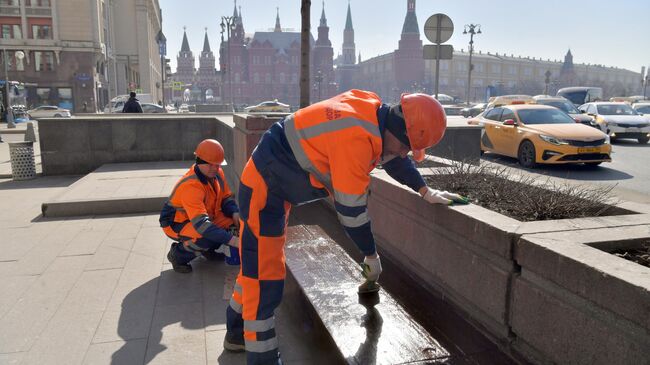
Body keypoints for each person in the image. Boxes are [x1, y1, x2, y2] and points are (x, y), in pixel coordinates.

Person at [224, 89, 468, 364]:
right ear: (398, 129)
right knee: (265, 280)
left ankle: (234, 334)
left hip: (273, 181)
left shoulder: (373, 111)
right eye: (407, 145)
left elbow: (394, 158)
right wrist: (371, 255)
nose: (405, 152)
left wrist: (424, 190)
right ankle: (263, 359)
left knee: (257, 267)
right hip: (264, 190)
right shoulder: (356, 140)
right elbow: (352, 213)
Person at [159, 139, 241, 273]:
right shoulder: (191, 186)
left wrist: (234, 212)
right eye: (210, 165)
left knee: (233, 224)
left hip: (205, 216)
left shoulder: (217, 173)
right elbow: (202, 226)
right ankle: (177, 255)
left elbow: (226, 197)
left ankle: (208, 250)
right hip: (177, 223)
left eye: (217, 164)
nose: (215, 168)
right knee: (205, 235)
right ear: (199, 160)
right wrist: (235, 242)